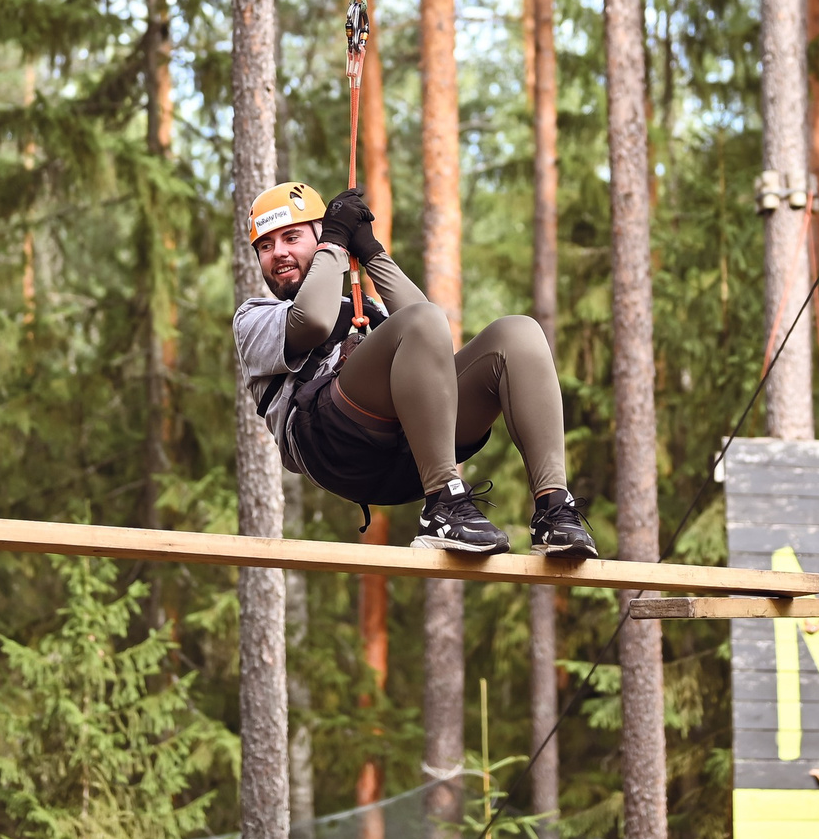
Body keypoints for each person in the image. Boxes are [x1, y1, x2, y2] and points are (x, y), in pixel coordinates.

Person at [233, 181, 599, 558]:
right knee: (419, 322)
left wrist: (372, 253)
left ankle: (553, 509)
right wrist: (334, 241)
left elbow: (430, 333)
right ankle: (444, 503)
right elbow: (313, 321)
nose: (278, 253)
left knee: (519, 335)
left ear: (316, 236)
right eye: (266, 246)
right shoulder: (254, 318)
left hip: (413, 451)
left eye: (291, 237)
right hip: (332, 444)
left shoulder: (364, 306)